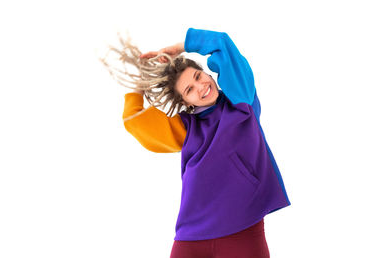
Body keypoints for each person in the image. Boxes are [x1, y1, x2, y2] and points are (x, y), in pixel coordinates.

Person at [101, 28, 291, 258]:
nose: (201, 87)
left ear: (209, 74)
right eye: (189, 89)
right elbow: (135, 122)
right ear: (185, 100)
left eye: (199, 77)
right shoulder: (186, 128)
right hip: (191, 238)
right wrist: (141, 81)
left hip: (244, 230)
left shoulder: (241, 102)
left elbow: (221, 42)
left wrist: (178, 48)